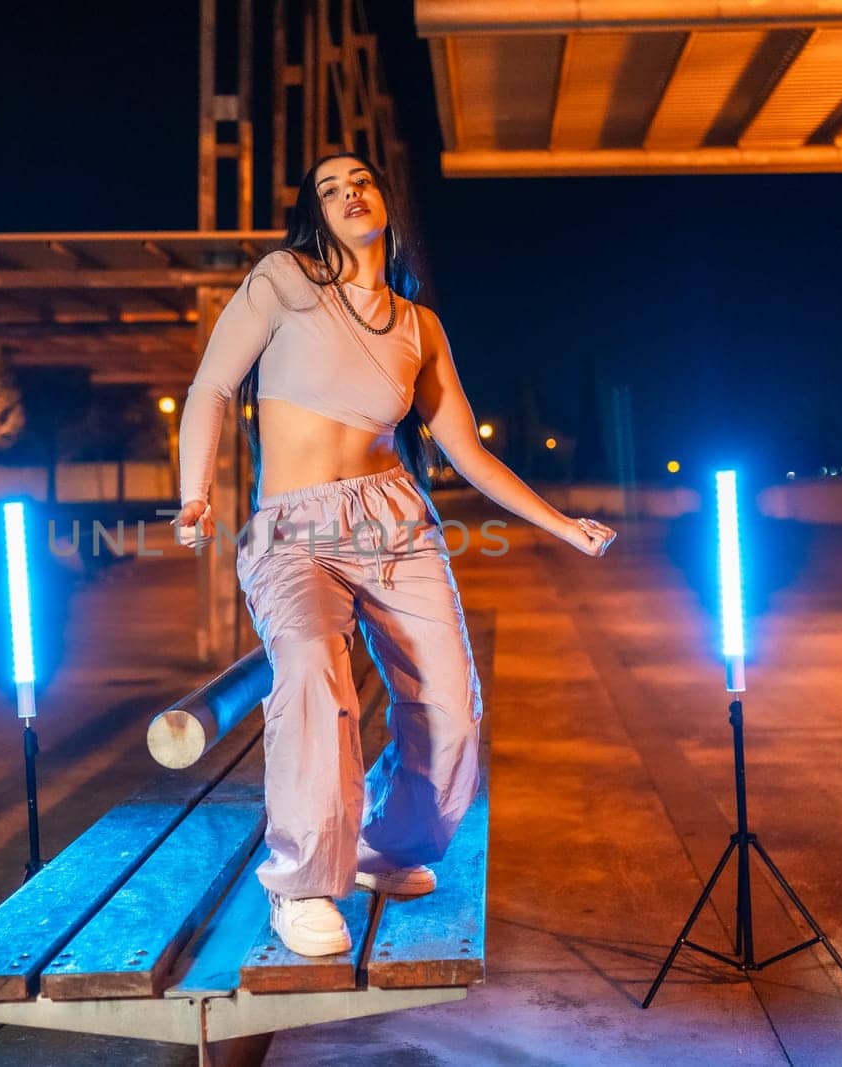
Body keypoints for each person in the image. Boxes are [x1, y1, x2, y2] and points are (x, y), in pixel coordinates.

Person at [172, 152, 616, 957]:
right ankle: (304, 881)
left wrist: (562, 524)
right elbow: (210, 386)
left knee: (451, 704)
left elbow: (470, 456)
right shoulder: (282, 281)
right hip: (296, 529)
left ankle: (386, 843)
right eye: (330, 188)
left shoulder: (420, 325)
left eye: (362, 180)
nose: (350, 192)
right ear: (316, 215)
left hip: (397, 523)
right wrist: (195, 491)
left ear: (384, 204)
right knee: (310, 668)